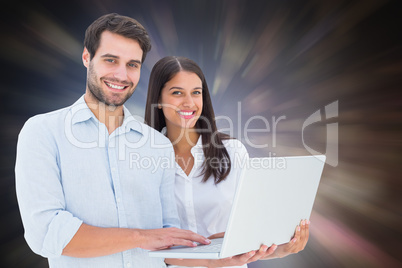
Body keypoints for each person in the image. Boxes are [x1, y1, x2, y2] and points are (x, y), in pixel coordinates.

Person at [15, 14, 210, 268]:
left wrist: (218, 255)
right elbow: (47, 233)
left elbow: (166, 240)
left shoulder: (157, 145)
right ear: (87, 58)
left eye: (132, 64)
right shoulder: (43, 132)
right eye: (110, 60)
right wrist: (140, 237)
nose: (121, 75)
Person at [144, 56, 310, 267]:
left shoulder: (232, 152)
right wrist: (209, 259)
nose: (189, 102)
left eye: (196, 92)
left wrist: (281, 248)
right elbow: (148, 246)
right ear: (158, 99)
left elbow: (250, 238)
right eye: (177, 93)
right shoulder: (145, 160)